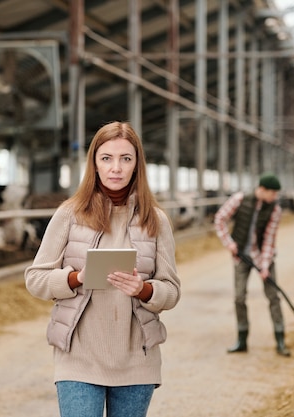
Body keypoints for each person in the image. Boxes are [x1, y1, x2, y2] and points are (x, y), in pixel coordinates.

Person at [25, 121, 181, 417]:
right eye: (106, 158)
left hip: (136, 359)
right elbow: (35, 278)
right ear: (94, 164)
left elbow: (172, 291)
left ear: (137, 165)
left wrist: (145, 289)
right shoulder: (69, 214)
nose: (116, 168)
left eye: (126, 159)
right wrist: (75, 278)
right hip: (79, 357)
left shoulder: (155, 220)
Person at [214, 172, 290, 357]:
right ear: (262, 190)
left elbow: (270, 240)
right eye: (273, 193)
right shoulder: (239, 199)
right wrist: (229, 243)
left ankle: (280, 340)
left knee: (273, 297)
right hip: (240, 256)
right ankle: (242, 340)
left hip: (263, 256)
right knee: (239, 297)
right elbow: (219, 219)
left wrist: (265, 267)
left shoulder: (275, 209)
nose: (275, 197)